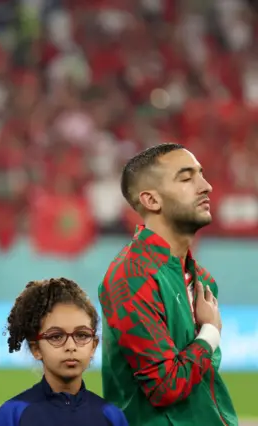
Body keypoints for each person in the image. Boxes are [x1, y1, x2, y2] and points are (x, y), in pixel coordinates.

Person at [99, 143, 238, 426]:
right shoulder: (131, 275)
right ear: (151, 200)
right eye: (187, 178)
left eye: (201, 175)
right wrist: (210, 332)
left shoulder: (203, 280)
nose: (207, 186)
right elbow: (165, 387)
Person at [0, 278, 128, 426]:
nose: (71, 346)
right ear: (36, 349)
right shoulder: (13, 414)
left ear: (93, 346)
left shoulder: (112, 416)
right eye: (56, 336)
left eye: (81, 335)